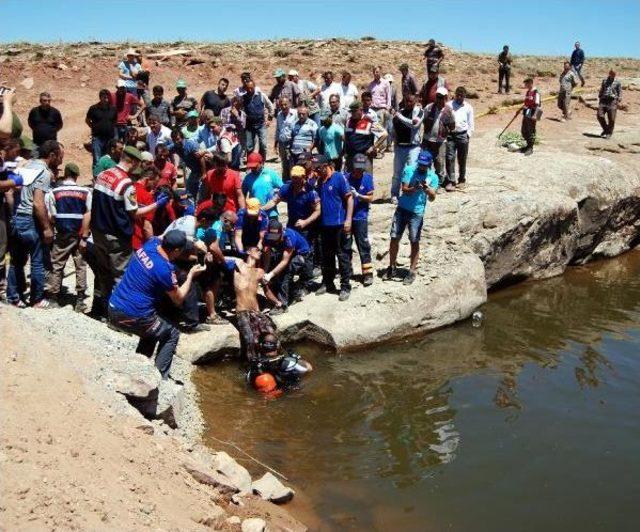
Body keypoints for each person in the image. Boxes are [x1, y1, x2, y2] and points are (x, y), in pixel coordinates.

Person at [108, 230, 206, 379]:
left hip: (113, 306)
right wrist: (191, 275)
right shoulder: (164, 270)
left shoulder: (150, 244)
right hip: (131, 316)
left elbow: (160, 236)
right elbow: (178, 299)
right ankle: (161, 377)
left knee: (154, 327)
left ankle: (141, 365)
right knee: (172, 332)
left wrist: (194, 244)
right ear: (177, 250)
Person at [90, 146, 168, 317]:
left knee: (103, 274)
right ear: (132, 162)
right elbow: (134, 212)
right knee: (121, 277)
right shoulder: (126, 184)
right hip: (116, 236)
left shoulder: (104, 174)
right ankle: (118, 317)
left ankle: (103, 311)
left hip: (98, 232)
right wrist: (157, 204)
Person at [7, 140, 63, 308]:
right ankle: (37, 299)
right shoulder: (44, 173)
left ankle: (13, 297)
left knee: (17, 260)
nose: (60, 160)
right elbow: (38, 203)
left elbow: (12, 192)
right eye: (60, 157)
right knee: (37, 261)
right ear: (51, 155)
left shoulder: (27, 165)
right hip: (30, 220)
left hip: (17, 218)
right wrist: (46, 228)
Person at [384, 150, 438, 285]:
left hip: (417, 212)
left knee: (414, 240)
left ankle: (412, 271)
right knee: (394, 237)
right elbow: (404, 189)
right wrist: (414, 189)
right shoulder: (409, 170)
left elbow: (432, 197)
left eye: (424, 165)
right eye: (420, 164)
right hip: (402, 209)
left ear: (429, 164)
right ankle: (392, 267)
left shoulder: (433, 176)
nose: (422, 167)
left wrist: (427, 189)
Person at [44, 162, 91, 312]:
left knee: (57, 264)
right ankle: (80, 300)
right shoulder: (86, 192)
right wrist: (84, 236)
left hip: (63, 233)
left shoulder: (54, 192)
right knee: (80, 265)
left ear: (65, 174)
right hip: (79, 234)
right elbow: (88, 214)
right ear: (77, 176)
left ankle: (53, 297)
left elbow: (51, 216)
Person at [315, 155, 353, 301]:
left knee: (342, 255)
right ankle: (328, 282)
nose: (317, 171)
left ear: (326, 165)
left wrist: (348, 219)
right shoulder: (319, 181)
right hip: (325, 225)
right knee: (327, 256)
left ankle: (345, 286)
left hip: (339, 224)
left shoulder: (339, 178)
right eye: (315, 169)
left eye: (319, 168)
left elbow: (349, 199)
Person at [233, 247, 275, 363]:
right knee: (250, 340)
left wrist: (277, 302)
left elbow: (267, 291)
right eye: (256, 250)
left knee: (271, 333)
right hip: (242, 311)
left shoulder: (260, 271)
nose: (259, 252)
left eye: (260, 251)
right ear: (248, 252)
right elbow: (221, 257)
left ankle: (274, 361)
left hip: (256, 311)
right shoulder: (239, 264)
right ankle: (253, 366)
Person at [262, 219, 314, 312]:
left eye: (276, 236)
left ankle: (283, 305)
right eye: (272, 236)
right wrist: (266, 271)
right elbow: (267, 255)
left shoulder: (289, 236)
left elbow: (284, 261)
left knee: (284, 274)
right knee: (274, 270)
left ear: (282, 231)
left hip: (301, 254)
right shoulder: (268, 236)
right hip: (285, 252)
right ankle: (292, 293)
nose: (274, 238)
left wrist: (270, 275)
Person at [247, 332, 312, 394]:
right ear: (277, 346)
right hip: (289, 392)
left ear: (261, 346)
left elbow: (249, 380)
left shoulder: (255, 365)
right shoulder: (288, 362)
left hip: (268, 394)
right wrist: (296, 358)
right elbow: (309, 368)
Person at [345, 154, 374, 286]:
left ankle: (367, 273)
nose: (358, 171)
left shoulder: (367, 178)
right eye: (357, 168)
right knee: (346, 245)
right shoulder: (345, 178)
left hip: (360, 216)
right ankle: (347, 270)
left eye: (361, 169)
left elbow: (370, 197)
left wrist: (359, 195)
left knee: (363, 244)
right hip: (347, 217)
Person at [390, 93, 423, 202]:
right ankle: (394, 194)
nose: (409, 103)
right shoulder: (401, 112)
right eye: (407, 101)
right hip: (400, 147)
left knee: (411, 170)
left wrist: (399, 117)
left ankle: (409, 193)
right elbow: (394, 128)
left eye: (411, 101)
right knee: (397, 172)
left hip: (413, 147)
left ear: (415, 101)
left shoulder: (420, 111)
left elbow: (414, 124)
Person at [344, 100, 388, 174]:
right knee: (350, 180)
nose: (352, 113)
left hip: (363, 156)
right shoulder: (349, 121)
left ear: (360, 110)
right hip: (350, 156)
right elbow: (347, 137)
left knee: (365, 180)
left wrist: (374, 147)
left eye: (354, 111)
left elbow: (384, 134)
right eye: (351, 112)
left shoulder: (368, 121)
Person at [422, 87, 455, 185]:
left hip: (440, 142)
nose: (439, 99)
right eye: (438, 97)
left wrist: (445, 130)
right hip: (428, 140)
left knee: (439, 163)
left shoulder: (449, 111)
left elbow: (452, 126)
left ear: (446, 98)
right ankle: (424, 183)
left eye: (441, 97)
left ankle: (437, 184)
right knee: (425, 162)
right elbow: (423, 119)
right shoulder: (429, 108)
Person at [445, 87, 474, 191]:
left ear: (465, 96)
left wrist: (468, 135)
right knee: (449, 158)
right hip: (450, 136)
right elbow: (444, 119)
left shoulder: (468, 107)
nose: (459, 97)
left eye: (462, 95)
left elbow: (471, 123)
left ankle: (462, 179)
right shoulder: (448, 105)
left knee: (462, 159)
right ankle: (451, 181)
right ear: (455, 94)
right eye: (458, 95)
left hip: (463, 135)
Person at [242, 152, 283, 218]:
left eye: (255, 167)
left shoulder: (270, 174)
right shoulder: (248, 178)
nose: (253, 169)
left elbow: (283, 189)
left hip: (271, 213)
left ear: (262, 163)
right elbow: (242, 195)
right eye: (251, 167)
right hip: (254, 214)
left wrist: (276, 197)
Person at [242, 80, 274, 161]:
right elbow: (240, 108)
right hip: (249, 126)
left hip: (261, 124)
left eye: (251, 88)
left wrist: (269, 119)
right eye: (248, 89)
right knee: (249, 146)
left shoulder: (261, 95)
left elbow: (270, 106)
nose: (250, 90)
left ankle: (261, 162)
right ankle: (250, 163)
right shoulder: (244, 97)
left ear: (254, 87)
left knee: (263, 145)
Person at [86, 89, 117, 170]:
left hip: (109, 139)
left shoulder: (113, 109)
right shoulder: (93, 108)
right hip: (97, 138)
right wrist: (94, 127)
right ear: (100, 97)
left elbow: (114, 121)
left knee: (108, 159)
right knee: (97, 160)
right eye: (104, 97)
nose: (106, 98)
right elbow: (87, 120)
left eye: (107, 97)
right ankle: (96, 179)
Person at [170, 128, 202, 199]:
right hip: (193, 171)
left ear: (182, 138)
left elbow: (202, 159)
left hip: (201, 170)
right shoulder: (175, 147)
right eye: (174, 140)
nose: (176, 142)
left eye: (178, 139)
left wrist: (204, 173)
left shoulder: (191, 145)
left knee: (199, 193)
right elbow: (165, 150)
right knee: (189, 191)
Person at [275, 96, 297, 179]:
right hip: (282, 143)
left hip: (291, 143)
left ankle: (293, 182)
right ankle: (285, 183)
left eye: (285, 104)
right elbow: (278, 129)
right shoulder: (279, 115)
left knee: (291, 164)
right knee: (284, 164)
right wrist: (275, 143)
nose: (283, 106)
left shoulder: (295, 113)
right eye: (281, 105)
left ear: (289, 104)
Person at [518, 77, 542, 156]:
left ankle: (530, 148)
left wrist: (535, 115)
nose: (525, 85)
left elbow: (538, 104)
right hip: (527, 112)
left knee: (531, 130)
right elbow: (526, 103)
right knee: (524, 130)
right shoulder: (528, 92)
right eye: (525, 84)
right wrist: (519, 109)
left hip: (534, 112)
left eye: (527, 83)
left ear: (531, 83)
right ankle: (527, 145)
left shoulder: (536, 92)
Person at [368, 67, 392, 141]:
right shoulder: (371, 85)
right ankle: (376, 147)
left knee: (381, 129)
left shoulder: (385, 83)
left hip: (381, 109)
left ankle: (381, 148)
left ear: (380, 72)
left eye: (377, 72)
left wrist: (388, 108)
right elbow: (369, 97)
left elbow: (389, 96)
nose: (376, 73)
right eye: (374, 72)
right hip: (373, 109)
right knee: (374, 128)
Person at [597, 70, 622, 138]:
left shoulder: (617, 82)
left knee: (612, 118)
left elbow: (620, 91)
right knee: (600, 116)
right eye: (612, 74)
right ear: (609, 73)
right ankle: (606, 129)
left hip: (612, 101)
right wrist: (600, 95)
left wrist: (619, 98)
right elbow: (602, 88)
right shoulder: (604, 80)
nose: (614, 75)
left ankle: (609, 132)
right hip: (603, 100)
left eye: (615, 74)